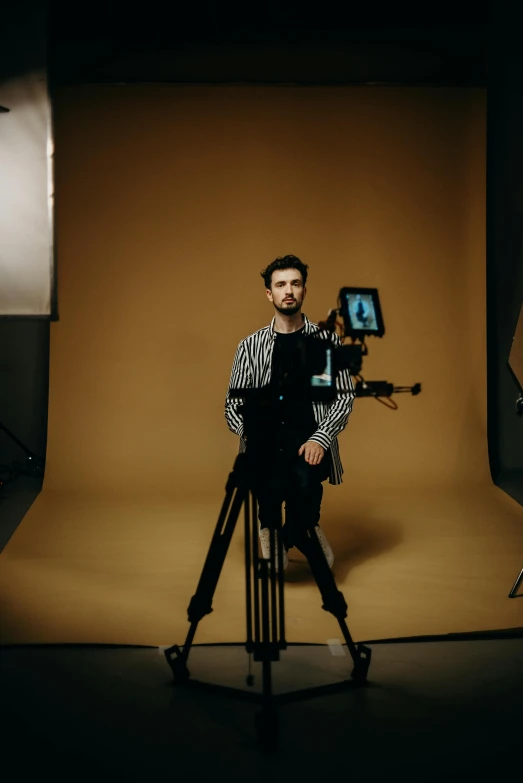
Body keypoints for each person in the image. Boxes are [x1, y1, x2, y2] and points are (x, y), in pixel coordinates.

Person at [225, 255, 354, 570]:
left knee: (307, 486)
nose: (288, 291)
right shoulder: (250, 347)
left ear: (304, 290)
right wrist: (252, 435)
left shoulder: (325, 343)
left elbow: (344, 396)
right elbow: (232, 404)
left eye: (295, 283)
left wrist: (321, 438)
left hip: (307, 437)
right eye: (280, 284)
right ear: (269, 293)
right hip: (266, 438)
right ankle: (269, 528)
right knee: (268, 490)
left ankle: (303, 526)